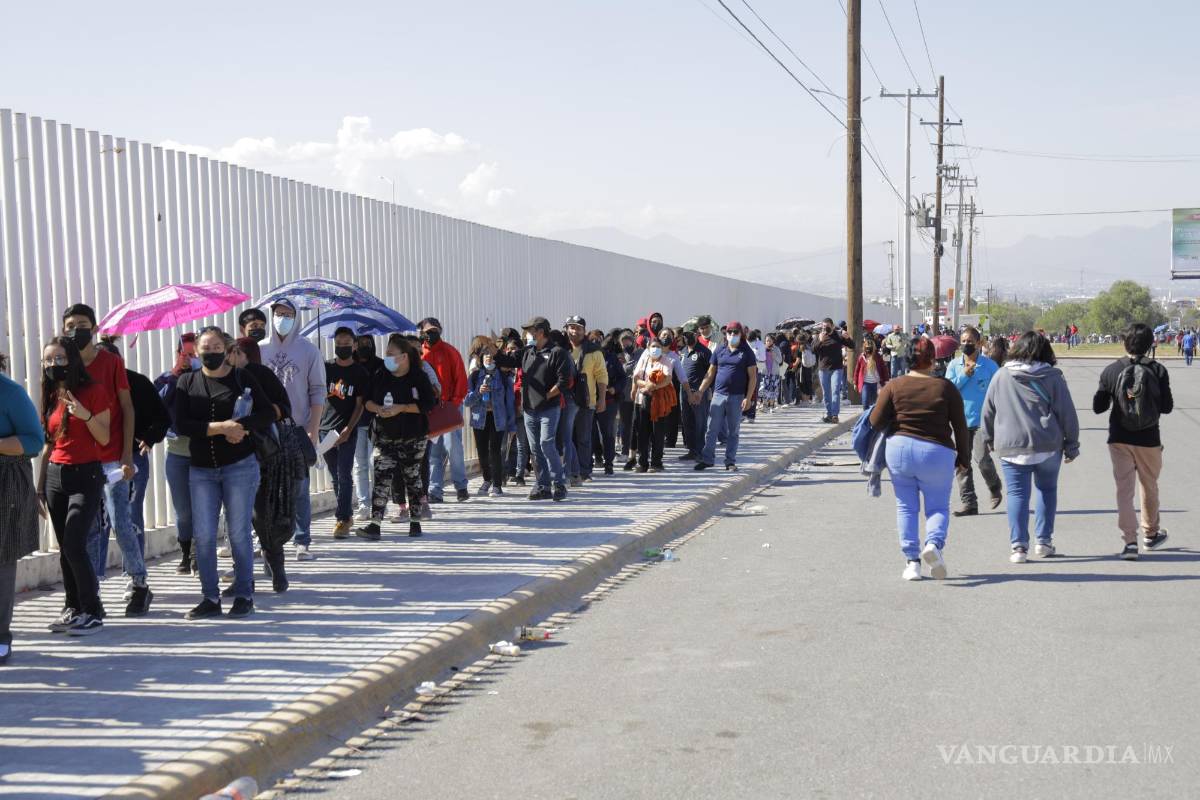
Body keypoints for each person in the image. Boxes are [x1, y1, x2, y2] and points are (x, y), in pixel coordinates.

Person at [174, 329, 275, 619]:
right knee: (204, 536)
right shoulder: (187, 381)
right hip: (202, 470)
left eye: (217, 346)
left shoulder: (243, 378)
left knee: (238, 533)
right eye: (205, 347)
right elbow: (182, 424)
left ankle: (244, 594)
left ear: (227, 349)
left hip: (239, 467)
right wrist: (221, 427)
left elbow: (268, 412)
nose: (211, 351)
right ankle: (210, 597)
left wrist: (241, 428)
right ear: (196, 351)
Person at [61, 304, 151, 616]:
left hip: (112, 457)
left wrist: (126, 455)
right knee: (85, 530)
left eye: (82, 324)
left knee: (121, 522)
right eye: (70, 324)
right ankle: (88, 594)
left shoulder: (111, 362)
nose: (76, 330)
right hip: (79, 459)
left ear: (95, 328)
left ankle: (139, 583)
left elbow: (127, 409)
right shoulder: (62, 363)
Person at [869, 337, 971, 581]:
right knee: (937, 506)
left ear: (907, 359)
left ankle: (912, 562)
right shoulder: (946, 388)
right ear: (933, 360)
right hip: (937, 453)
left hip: (900, 451)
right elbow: (960, 426)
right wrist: (963, 458)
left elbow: (874, 421)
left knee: (906, 506)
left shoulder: (895, 385)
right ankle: (933, 544)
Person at [982, 332, 1080, 564]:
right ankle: (1044, 542)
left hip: (1011, 446)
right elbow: (1067, 413)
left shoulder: (1001, 376)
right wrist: (1072, 445)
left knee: (1017, 495)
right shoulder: (1053, 376)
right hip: (1048, 444)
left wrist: (989, 439)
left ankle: (1018, 547)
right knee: (1046, 491)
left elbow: (988, 410)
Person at [37, 337, 111, 635]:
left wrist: (85, 415)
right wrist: (39, 486)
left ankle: (92, 610)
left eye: (59, 359)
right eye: (48, 360)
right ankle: (73, 607)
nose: (53, 365)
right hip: (56, 474)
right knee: (64, 547)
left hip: (86, 474)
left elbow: (104, 438)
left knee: (74, 544)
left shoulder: (93, 391)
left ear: (72, 360)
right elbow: (48, 444)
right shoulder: (51, 393)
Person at [1092, 323, 1173, 560]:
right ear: (1150, 345)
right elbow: (1167, 407)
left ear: (1123, 342)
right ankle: (1151, 533)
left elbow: (1098, 407)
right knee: (1149, 485)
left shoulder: (1111, 370)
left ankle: (1129, 541)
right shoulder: (1158, 370)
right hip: (1149, 437)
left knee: (1124, 490)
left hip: (1119, 437)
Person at [257, 300, 325, 561]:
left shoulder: (309, 351)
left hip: (297, 428)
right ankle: (267, 538)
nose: (281, 318)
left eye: (287, 314)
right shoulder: (260, 350)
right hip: (266, 427)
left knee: (299, 485)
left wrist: (313, 429)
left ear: (296, 317)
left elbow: (318, 391)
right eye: (277, 314)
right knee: (265, 486)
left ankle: (302, 538)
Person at [95, 338, 170, 570]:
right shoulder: (86, 384)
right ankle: (94, 576)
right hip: (96, 458)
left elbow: (162, 418)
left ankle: (134, 575)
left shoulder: (137, 382)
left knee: (129, 515)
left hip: (132, 458)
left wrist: (149, 437)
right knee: (98, 518)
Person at [228, 337, 294, 592]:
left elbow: (284, 408)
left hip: (261, 454)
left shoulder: (259, 374)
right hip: (229, 455)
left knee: (261, 515)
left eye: (230, 352)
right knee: (236, 520)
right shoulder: (216, 378)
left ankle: (276, 566)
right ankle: (243, 576)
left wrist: (255, 416)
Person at [358, 334, 437, 540]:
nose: (387, 358)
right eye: (386, 354)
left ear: (404, 357)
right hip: (384, 435)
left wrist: (401, 408)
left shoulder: (418, 376)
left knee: (412, 477)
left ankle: (415, 522)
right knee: (382, 477)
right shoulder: (380, 374)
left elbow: (428, 404)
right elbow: (366, 400)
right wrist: (378, 408)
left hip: (413, 436)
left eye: (391, 354)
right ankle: (375, 524)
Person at [492, 317, 571, 501]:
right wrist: (493, 348)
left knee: (546, 443)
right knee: (535, 449)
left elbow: (564, 380)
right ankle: (543, 485)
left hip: (549, 408)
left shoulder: (557, 352)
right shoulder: (527, 352)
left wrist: (548, 395)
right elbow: (507, 361)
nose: (527, 334)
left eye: (530, 330)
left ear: (540, 332)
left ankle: (559, 483)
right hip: (529, 408)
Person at [1, 348, 47, 661]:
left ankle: (1, 636)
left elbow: (34, 440)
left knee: (2, 560)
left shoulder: (11, 393)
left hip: (4, 482)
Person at [945, 326, 1002, 515]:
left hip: (982, 422)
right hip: (960, 421)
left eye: (970, 341)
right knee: (962, 463)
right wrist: (964, 375)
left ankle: (994, 487)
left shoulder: (990, 366)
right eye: (963, 341)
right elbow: (948, 390)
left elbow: (999, 392)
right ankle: (969, 503)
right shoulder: (954, 366)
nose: (966, 344)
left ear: (979, 343)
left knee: (982, 459)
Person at [154, 333, 200, 574]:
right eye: (185, 354)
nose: (189, 359)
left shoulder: (205, 378)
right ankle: (185, 552)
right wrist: (174, 375)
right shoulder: (166, 379)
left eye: (194, 355)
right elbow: (157, 406)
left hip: (203, 452)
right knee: (183, 510)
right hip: (177, 452)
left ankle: (198, 553)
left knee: (203, 507)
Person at [321, 327, 369, 539]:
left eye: (346, 343)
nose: (342, 346)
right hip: (325, 430)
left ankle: (342, 519)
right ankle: (347, 514)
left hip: (347, 430)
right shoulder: (325, 368)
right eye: (339, 343)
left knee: (344, 473)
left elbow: (360, 404)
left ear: (354, 345)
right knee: (334, 475)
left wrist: (349, 428)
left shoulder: (360, 372)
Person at [694, 322, 757, 471]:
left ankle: (730, 461)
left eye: (736, 332)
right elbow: (710, 373)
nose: (732, 335)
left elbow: (753, 377)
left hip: (737, 397)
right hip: (718, 395)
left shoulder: (747, 352)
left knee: (733, 431)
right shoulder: (720, 350)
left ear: (741, 334)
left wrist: (748, 398)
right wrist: (700, 391)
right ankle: (707, 459)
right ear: (726, 334)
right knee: (711, 429)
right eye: (730, 332)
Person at [419, 318, 469, 504]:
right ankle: (435, 489)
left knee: (453, 446)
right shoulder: (420, 354)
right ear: (422, 333)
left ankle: (461, 486)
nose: (432, 334)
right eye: (428, 331)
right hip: (430, 408)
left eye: (435, 330)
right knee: (433, 451)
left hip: (449, 405)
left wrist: (454, 403)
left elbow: (461, 379)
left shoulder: (450, 351)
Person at [465, 336, 516, 496]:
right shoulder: (474, 377)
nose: (488, 356)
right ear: (480, 357)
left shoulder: (503, 377)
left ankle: (497, 484)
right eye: (485, 353)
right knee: (482, 452)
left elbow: (509, 402)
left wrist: (512, 425)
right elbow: (467, 401)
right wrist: (478, 393)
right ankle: (487, 479)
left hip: (497, 419)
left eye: (491, 353)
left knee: (495, 450)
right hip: (479, 419)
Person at [565, 315, 607, 484]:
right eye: (571, 327)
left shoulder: (593, 351)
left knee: (583, 438)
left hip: (586, 400)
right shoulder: (561, 349)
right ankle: (570, 471)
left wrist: (602, 399)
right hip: (565, 400)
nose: (575, 331)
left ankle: (584, 471)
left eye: (578, 328)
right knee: (568, 438)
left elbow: (601, 376)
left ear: (584, 331)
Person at [630, 338, 677, 472]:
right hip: (642, 400)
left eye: (657, 346)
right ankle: (642, 462)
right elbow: (636, 378)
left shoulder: (667, 361)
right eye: (652, 346)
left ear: (662, 348)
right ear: (648, 347)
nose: (655, 349)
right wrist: (647, 385)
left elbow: (667, 379)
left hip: (659, 401)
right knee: (643, 432)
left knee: (658, 432)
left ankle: (656, 462)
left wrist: (654, 387)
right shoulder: (644, 360)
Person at [352, 335, 385, 521]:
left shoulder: (380, 365)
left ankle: (379, 503)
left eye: (368, 343)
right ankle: (364, 505)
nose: (364, 346)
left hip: (376, 421)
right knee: (360, 465)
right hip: (356, 423)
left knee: (376, 464)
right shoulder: (351, 365)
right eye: (360, 343)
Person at [678, 325, 713, 461]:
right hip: (684, 391)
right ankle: (692, 450)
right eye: (684, 335)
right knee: (687, 421)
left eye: (689, 335)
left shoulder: (704, 352)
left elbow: (710, 374)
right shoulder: (682, 351)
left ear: (696, 334)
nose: (686, 337)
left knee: (700, 422)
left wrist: (703, 391)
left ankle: (700, 451)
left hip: (699, 392)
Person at [814, 318, 855, 423]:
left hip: (836, 368)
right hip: (823, 369)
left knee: (836, 390)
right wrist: (820, 341)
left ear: (832, 326)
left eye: (827, 326)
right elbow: (814, 350)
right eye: (823, 326)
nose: (825, 328)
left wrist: (848, 338)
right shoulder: (819, 336)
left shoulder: (838, 335)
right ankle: (829, 414)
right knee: (826, 393)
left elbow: (852, 345)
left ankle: (835, 415)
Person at [853, 335, 890, 408]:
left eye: (870, 347)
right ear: (864, 347)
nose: (868, 349)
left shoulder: (878, 357)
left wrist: (886, 380)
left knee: (876, 404)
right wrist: (855, 382)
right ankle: (866, 417)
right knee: (865, 402)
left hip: (877, 383)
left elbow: (884, 369)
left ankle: (874, 417)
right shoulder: (861, 357)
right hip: (865, 383)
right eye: (866, 347)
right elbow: (857, 370)